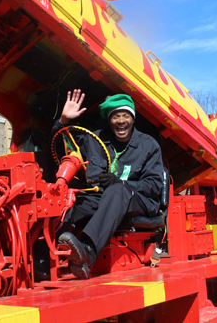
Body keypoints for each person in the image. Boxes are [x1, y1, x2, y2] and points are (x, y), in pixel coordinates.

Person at [51, 89, 163, 279]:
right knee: (73, 204)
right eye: (115, 117)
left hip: (139, 201)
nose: (121, 121)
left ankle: (88, 252)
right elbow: (62, 143)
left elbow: (154, 185)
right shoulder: (95, 139)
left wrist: (122, 183)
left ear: (133, 119)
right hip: (102, 196)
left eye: (125, 116)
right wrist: (63, 121)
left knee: (117, 191)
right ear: (110, 121)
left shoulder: (148, 145)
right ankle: (49, 255)